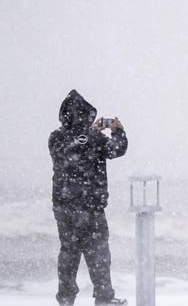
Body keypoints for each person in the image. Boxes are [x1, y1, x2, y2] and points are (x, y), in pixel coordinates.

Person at [48, 90, 128, 306]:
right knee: (98, 253)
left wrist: (89, 133)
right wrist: (118, 130)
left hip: (63, 207)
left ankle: (66, 299)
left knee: (68, 254)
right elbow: (118, 150)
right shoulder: (94, 139)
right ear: (87, 115)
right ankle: (104, 298)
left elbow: (72, 149)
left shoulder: (55, 137)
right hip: (90, 206)